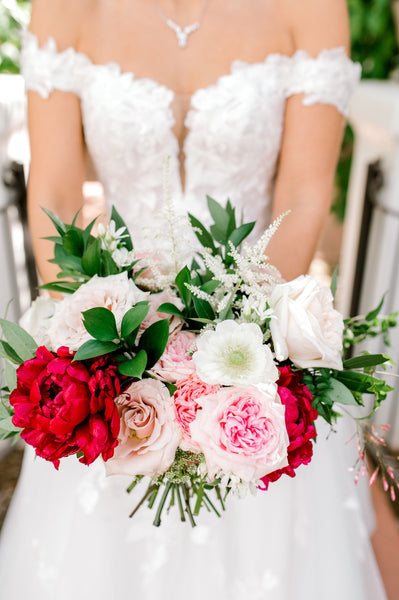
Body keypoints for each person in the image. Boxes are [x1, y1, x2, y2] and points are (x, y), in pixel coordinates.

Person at [0, 1, 388, 598]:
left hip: (256, 338)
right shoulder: (66, 7)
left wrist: (245, 342)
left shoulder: (311, 8)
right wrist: (93, 344)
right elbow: (54, 187)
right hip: (115, 338)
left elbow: (305, 194)